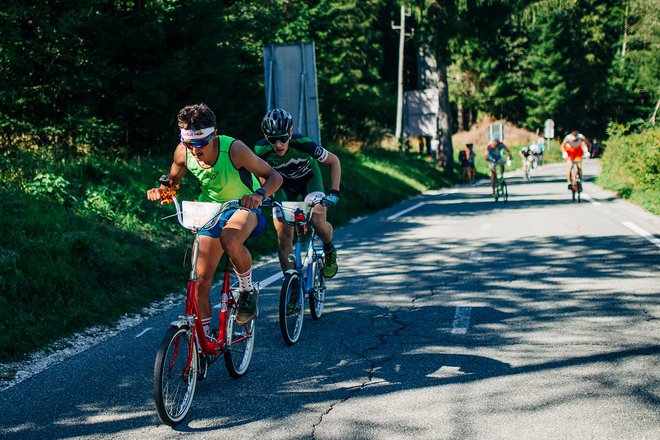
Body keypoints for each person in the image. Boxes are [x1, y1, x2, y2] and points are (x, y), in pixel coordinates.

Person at [147, 103, 283, 329]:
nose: (195, 150)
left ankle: (247, 291)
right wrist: (162, 191)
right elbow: (172, 184)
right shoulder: (183, 152)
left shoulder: (234, 149)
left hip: (242, 207)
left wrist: (259, 195)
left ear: (215, 135)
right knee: (199, 282)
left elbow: (274, 176)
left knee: (230, 239)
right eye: (189, 143)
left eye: (201, 143)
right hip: (208, 211)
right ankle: (204, 344)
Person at [253, 108, 342, 280]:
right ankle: (291, 285)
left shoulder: (303, 143)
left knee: (317, 221)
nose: (278, 144)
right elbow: (259, 171)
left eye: (283, 138)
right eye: (273, 139)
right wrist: (266, 193)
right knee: (284, 236)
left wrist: (334, 192)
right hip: (283, 187)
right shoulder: (260, 150)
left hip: (309, 181)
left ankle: (329, 248)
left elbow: (334, 161)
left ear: (290, 134)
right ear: (265, 137)